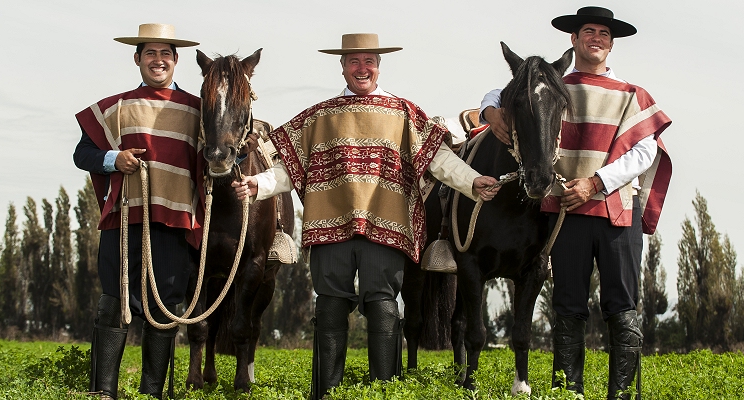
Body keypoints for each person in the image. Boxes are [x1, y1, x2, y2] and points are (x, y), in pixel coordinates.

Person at [232, 33, 500, 399]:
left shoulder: (404, 112)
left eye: (369, 61)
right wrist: (257, 186)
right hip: (330, 228)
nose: (362, 68)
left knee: (383, 306)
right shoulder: (319, 115)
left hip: (385, 228)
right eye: (354, 61)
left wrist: (473, 182)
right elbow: (290, 168)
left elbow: (438, 159)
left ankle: (383, 392)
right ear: (342, 66)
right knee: (329, 306)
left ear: (379, 65)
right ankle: (325, 392)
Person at [480, 7, 672, 399]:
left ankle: (620, 394)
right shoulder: (555, 84)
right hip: (565, 213)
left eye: (604, 32)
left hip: (617, 210)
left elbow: (643, 154)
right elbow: (501, 93)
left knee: (622, 307)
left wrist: (596, 182)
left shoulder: (632, 95)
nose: (596, 37)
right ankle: (570, 392)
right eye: (589, 31)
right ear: (574, 39)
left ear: (611, 43)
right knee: (568, 306)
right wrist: (487, 109)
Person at [73, 24, 203, 400]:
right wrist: (115, 159)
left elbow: (221, 154)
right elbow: (83, 155)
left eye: (165, 54)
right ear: (137, 59)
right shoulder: (118, 105)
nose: (158, 60)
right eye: (150, 53)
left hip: (175, 221)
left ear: (176, 61)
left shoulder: (197, 110)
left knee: (164, 309)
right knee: (113, 302)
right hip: (125, 220)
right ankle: (103, 392)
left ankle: (152, 394)